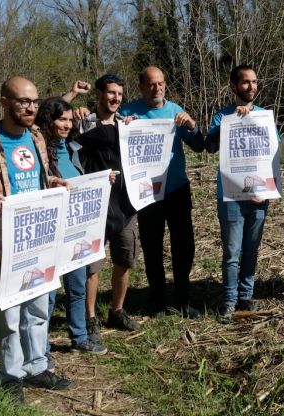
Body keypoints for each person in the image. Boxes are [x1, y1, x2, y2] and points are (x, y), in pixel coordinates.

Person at [0, 76, 71, 404]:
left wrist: (55, 183)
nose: (31, 107)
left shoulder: (36, 138)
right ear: (5, 102)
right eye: (23, 101)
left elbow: (38, 178)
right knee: (10, 313)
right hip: (4, 245)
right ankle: (10, 374)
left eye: (34, 101)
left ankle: (37, 367)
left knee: (38, 308)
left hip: (40, 239)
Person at [118, 66, 204, 317]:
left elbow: (198, 146)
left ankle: (183, 298)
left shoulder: (176, 111)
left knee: (183, 245)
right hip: (146, 192)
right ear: (142, 87)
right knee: (152, 245)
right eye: (152, 84)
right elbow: (114, 144)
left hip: (176, 188)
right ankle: (157, 299)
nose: (157, 88)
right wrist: (125, 128)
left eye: (161, 83)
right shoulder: (128, 112)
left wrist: (192, 125)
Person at [206, 64, 279, 323]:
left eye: (255, 82)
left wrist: (269, 188)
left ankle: (246, 296)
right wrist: (231, 123)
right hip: (231, 197)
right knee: (231, 251)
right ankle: (228, 300)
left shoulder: (264, 118)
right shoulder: (222, 116)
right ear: (234, 86)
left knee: (251, 249)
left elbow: (273, 154)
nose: (252, 87)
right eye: (246, 82)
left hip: (258, 197)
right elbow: (210, 147)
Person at [36, 96, 107, 355]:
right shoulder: (40, 150)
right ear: (48, 120)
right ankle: (40, 347)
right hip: (53, 233)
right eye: (60, 119)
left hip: (76, 231)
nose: (66, 125)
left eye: (68, 120)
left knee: (77, 288)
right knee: (50, 293)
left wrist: (102, 180)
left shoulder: (73, 148)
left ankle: (79, 337)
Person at [74, 73, 141, 337]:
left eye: (119, 95)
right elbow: (53, 122)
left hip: (126, 206)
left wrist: (133, 127)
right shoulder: (85, 123)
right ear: (99, 95)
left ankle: (117, 311)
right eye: (111, 93)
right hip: (95, 207)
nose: (115, 98)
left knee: (124, 260)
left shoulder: (126, 126)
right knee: (92, 266)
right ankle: (90, 318)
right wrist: (75, 106)